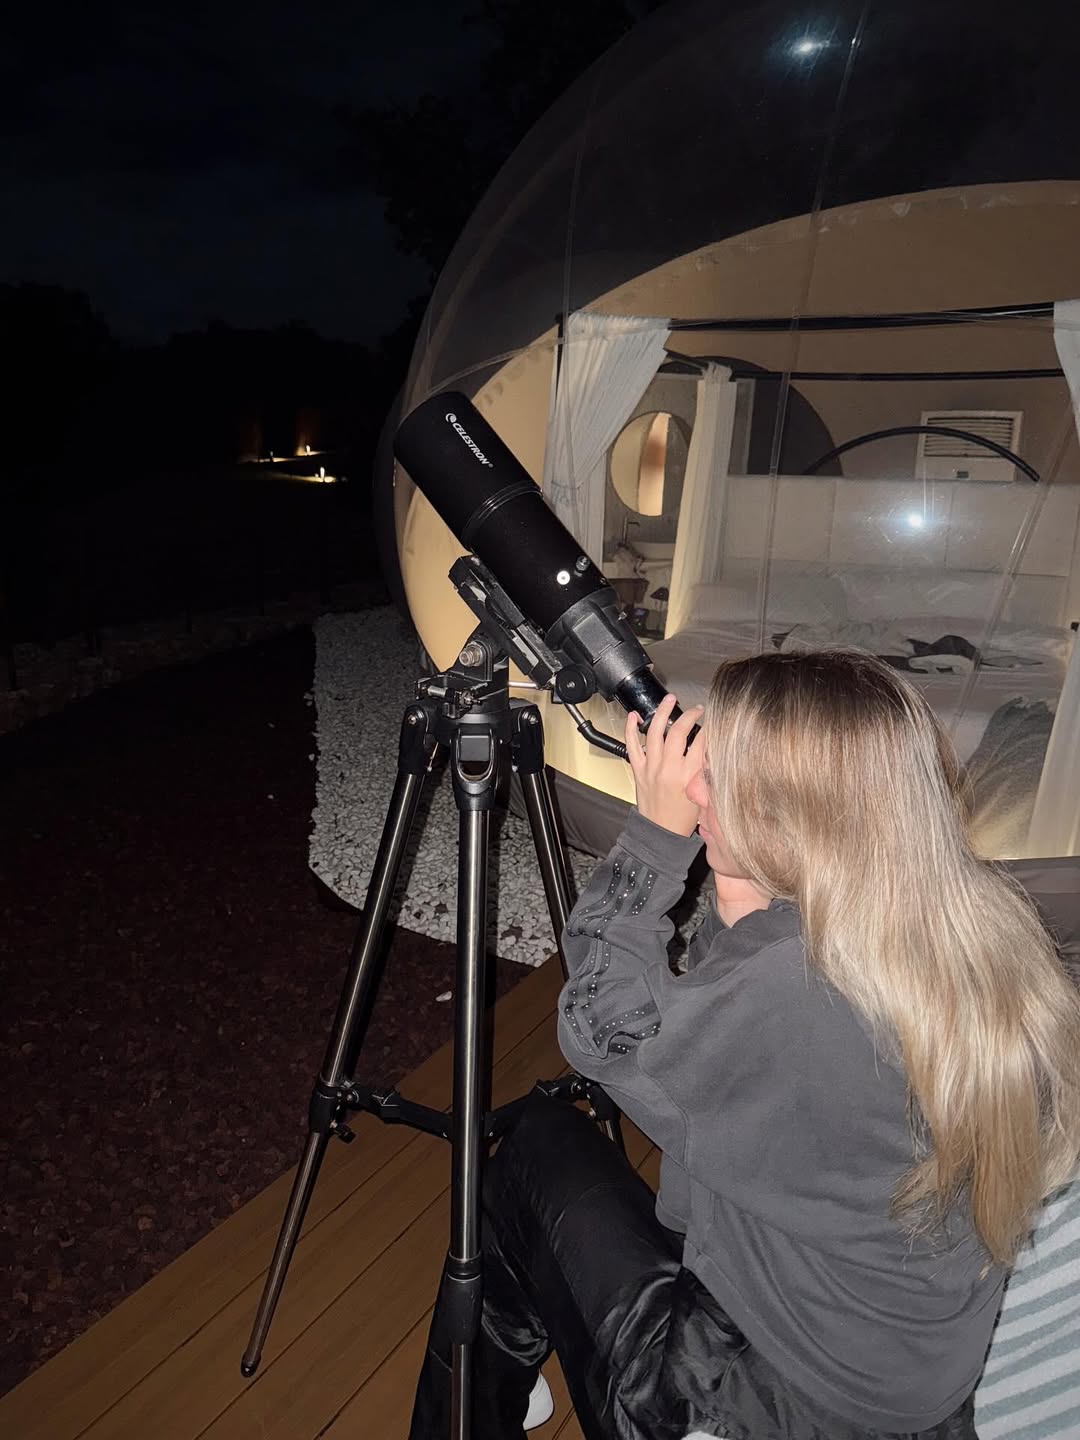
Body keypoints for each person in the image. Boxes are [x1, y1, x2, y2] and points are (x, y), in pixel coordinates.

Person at [409, 649, 1080, 1439]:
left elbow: (599, 1025)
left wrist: (654, 837)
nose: (695, 785)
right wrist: (738, 892)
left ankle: (469, 1414)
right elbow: (743, 1060)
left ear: (786, 819)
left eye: (717, 773)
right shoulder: (984, 927)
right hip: (902, 1372)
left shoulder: (795, 985)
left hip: (773, 1402)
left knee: (532, 1148)